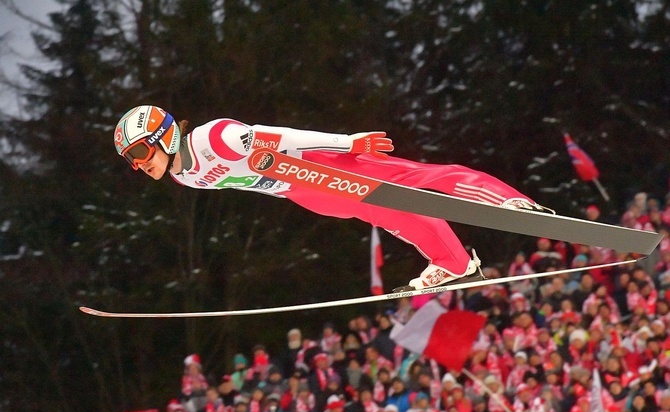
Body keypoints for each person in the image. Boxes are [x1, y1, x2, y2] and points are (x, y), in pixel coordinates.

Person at [114, 105, 550, 289]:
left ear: (163, 134)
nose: (138, 164)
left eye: (138, 152)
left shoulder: (213, 137)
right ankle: (454, 263)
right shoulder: (185, 178)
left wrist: (347, 143)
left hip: (321, 166)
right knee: (388, 213)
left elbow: (280, 136)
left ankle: (503, 200)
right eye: (129, 160)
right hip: (300, 192)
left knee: (414, 178)